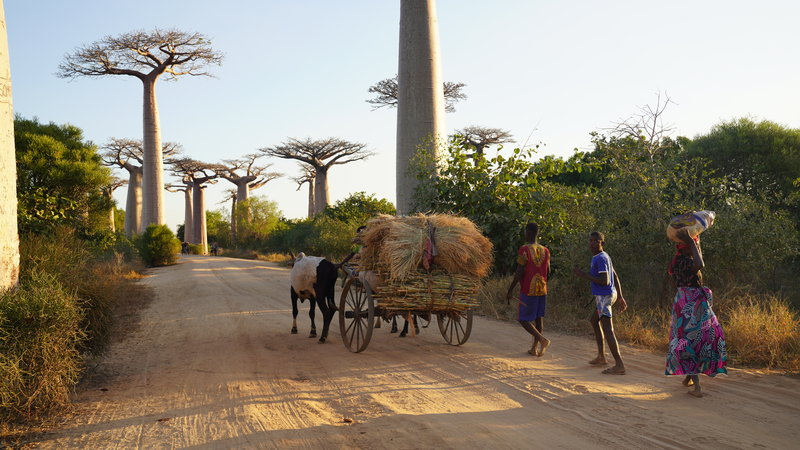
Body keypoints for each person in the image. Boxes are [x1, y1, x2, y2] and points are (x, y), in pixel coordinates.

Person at [665, 228, 727, 397]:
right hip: (692, 303)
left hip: (685, 302)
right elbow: (700, 264)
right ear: (686, 247)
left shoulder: (679, 260)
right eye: (692, 245)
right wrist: (692, 242)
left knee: (687, 339)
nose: (696, 248)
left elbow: (698, 257)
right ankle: (697, 387)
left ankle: (689, 378)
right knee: (694, 340)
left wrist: (694, 243)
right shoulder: (685, 261)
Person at [573, 231, 627, 375]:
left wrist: (583, 275)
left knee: (608, 329)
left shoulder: (600, 258)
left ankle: (619, 365)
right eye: (590, 241)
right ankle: (601, 356)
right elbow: (615, 275)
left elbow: (605, 281)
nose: (591, 243)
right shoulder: (603, 256)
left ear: (601, 243)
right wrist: (620, 296)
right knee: (594, 320)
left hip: (604, 297)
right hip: (607, 296)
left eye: (594, 241)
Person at [506, 223, 551, 357]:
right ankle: (534, 348)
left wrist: (510, 289)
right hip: (542, 288)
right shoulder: (546, 250)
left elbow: (519, 271)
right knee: (538, 318)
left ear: (528, 232)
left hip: (528, 288)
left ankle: (542, 340)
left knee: (523, 319)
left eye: (525, 232)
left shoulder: (524, 250)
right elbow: (548, 270)